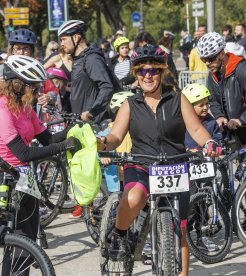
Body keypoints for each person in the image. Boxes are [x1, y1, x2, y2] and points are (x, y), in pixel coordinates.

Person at [99, 44, 221, 276]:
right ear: (135, 74)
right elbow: (115, 136)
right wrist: (101, 143)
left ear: (162, 71)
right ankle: (120, 234)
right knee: (134, 196)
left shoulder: (178, 99)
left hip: (175, 166)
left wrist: (209, 143)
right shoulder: (130, 104)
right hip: (142, 164)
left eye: (153, 70)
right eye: (142, 71)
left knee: (181, 228)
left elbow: (196, 129)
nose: (148, 75)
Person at [0, 55, 80, 241]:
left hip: (24, 175)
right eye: (33, 87)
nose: (37, 91)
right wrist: (63, 147)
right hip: (1, 174)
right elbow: (23, 153)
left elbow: (48, 140)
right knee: (18, 237)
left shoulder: (25, 108)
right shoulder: (0, 110)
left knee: (30, 236)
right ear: (18, 85)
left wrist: (72, 131)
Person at [197, 32, 246, 145]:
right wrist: (219, 116)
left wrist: (242, 120)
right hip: (232, 135)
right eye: (204, 60)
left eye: (211, 58)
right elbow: (213, 100)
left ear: (222, 53)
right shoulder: (213, 74)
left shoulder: (243, 69)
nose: (207, 63)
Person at [58, 20, 117, 124]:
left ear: (76, 38)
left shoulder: (91, 59)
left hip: (93, 124)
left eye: (63, 39)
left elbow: (106, 87)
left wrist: (92, 112)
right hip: (81, 123)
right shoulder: (78, 60)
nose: (61, 44)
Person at [0, 28, 37, 103]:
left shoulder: (36, 69)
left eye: (25, 48)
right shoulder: (3, 68)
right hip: (7, 112)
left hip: (29, 112)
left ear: (31, 50)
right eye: (18, 48)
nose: (21, 52)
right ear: (12, 50)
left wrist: (49, 96)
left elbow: (49, 90)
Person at [181, 83, 222, 149]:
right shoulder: (182, 122)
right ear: (189, 106)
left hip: (206, 158)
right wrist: (187, 150)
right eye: (201, 105)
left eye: (207, 103)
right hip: (187, 157)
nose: (205, 107)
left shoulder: (211, 122)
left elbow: (218, 139)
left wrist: (213, 147)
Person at [43, 47, 73, 113]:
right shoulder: (57, 58)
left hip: (76, 95)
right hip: (60, 96)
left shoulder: (78, 59)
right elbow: (40, 71)